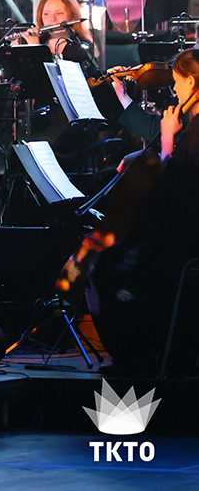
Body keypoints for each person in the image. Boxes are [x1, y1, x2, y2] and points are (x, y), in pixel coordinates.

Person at [88, 48, 199, 375]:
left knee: (106, 268)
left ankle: (138, 357)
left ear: (191, 82)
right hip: (180, 232)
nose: (174, 90)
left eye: (177, 82)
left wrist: (166, 141)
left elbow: (176, 186)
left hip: (183, 240)